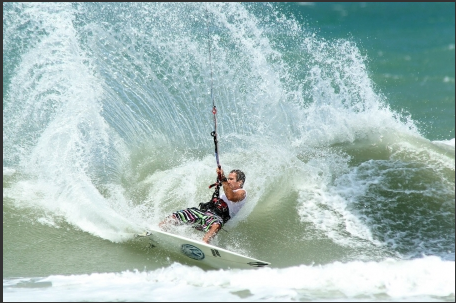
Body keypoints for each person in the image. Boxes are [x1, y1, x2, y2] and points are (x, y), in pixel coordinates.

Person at [159, 167, 247, 244]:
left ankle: (204, 243)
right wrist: (220, 177)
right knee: (178, 215)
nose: (228, 181)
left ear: (240, 182)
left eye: (231, 179)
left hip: (217, 218)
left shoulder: (242, 193)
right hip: (205, 214)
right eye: (228, 178)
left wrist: (223, 179)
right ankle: (159, 229)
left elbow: (231, 197)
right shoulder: (226, 189)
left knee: (216, 224)